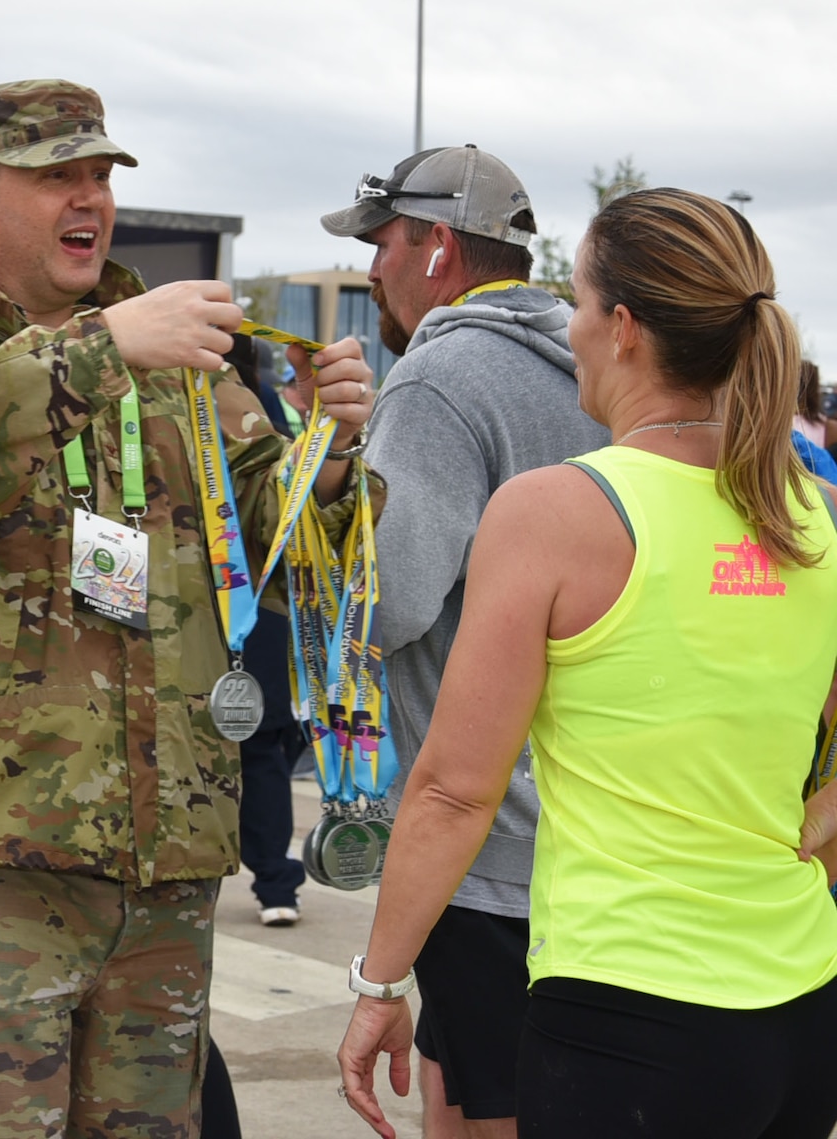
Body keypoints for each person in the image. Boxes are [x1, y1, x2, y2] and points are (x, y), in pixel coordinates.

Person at [0, 79, 376, 1134]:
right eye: (55, 175)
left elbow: (260, 529)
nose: (89, 197)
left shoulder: (180, 368)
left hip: (163, 863)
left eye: (99, 174)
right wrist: (102, 349)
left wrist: (331, 451)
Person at [339, 189, 837, 1139]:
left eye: (573, 303)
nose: (565, 329)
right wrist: (806, 836)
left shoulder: (557, 512)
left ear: (623, 328)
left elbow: (451, 791)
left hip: (633, 1015)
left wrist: (378, 980)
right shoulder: (805, 506)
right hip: (802, 1002)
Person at [319, 145, 609, 1135]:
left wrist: (317, 525)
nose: (368, 272)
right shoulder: (599, 370)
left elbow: (388, 601)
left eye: (379, 244)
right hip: (592, 826)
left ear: (434, 246)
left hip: (482, 853)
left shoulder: (438, 376)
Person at [224, 335, 308, 928]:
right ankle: (275, 879)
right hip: (241, 609)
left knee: (260, 741)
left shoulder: (254, 417)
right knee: (261, 747)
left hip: (251, 607)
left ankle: (277, 879)